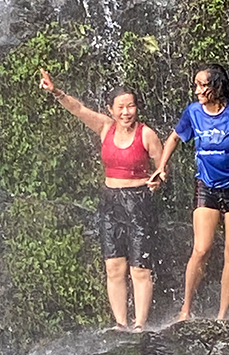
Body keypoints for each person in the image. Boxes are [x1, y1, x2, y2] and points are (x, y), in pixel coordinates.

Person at [40, 70, 162, 331]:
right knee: (114, 267)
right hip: (110, 202)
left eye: (131, 106)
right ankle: (121, 323)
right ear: (111, 109)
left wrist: (158, 179)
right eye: (121, 107)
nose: (126, 112)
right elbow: (80, 110)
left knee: (140, 268)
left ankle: (140, 324)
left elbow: (162, 166)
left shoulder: (146, 134)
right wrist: (56, 92)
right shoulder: (105, 127)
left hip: (138, 201)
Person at [153, 63, 229, 321]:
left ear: (216, 86)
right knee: (201, 249)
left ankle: (222, 316)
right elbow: (174, 138)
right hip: (207, 186)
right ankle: (185, 309)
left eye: (202, 85)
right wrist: (162, 167)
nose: (196, 90)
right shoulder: (193, 113)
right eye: (195, 84)